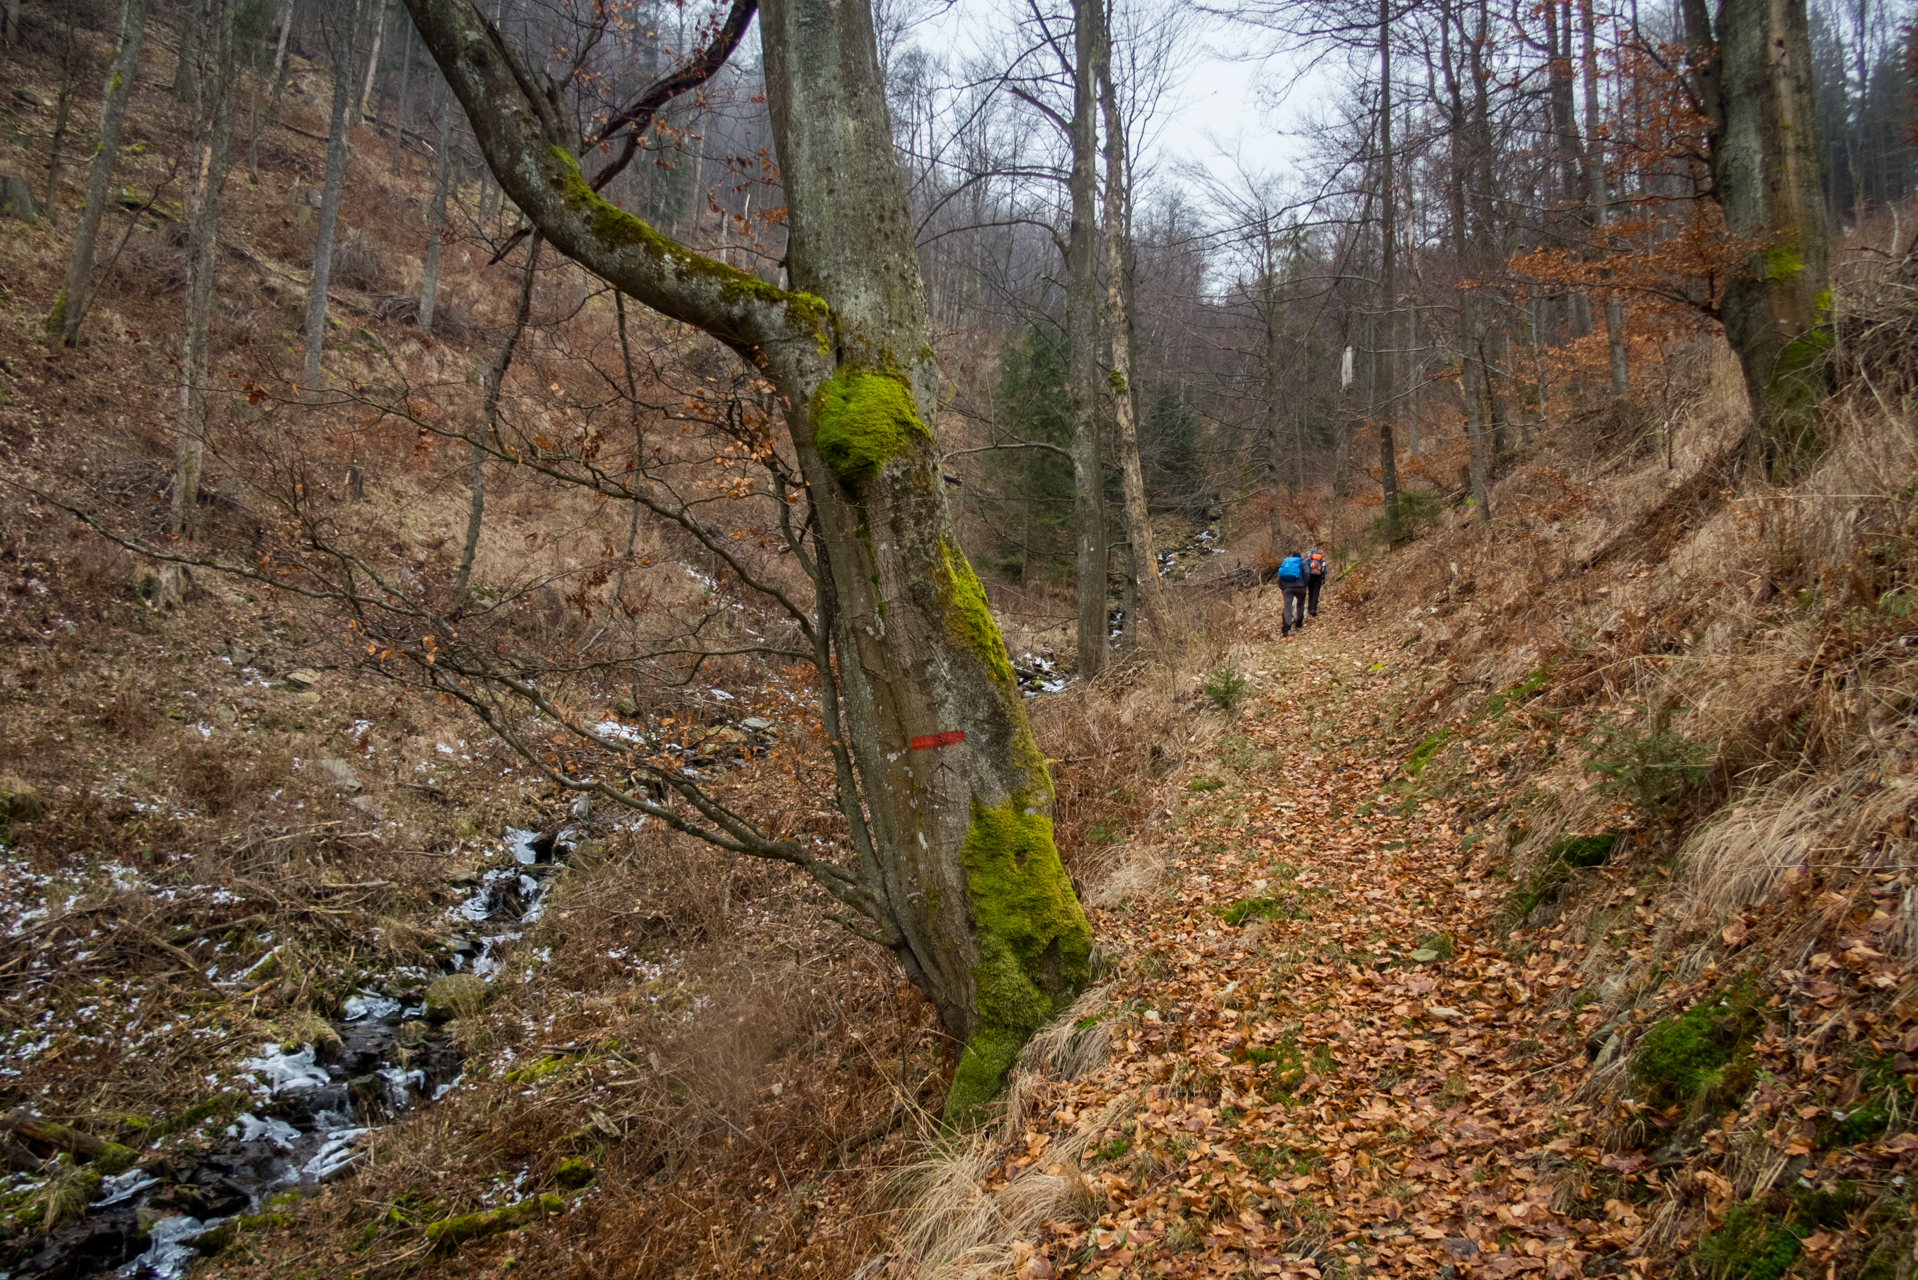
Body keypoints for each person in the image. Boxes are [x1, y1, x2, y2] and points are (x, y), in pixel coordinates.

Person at [1276, 549, 1308, 637]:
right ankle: (1298, 623)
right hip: (1300, 587)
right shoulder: (1302, 563)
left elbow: (1279, 576)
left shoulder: (1286, 563)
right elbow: (1307, 573)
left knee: (1287, 607)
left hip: (1287, 588)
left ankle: (1286, 628)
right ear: (1300, 557)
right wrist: (1304, 584)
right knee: (1300, 604)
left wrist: (1282, 587)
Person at [1304, 546, 1327, 618]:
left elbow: (1305, 570)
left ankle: (1309, 608)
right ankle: (1313, 609)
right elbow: (1325, 571)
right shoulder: (1321, 560)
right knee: (1315, 593)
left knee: (1310, 593)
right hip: (1318, 579)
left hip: (1310, 578)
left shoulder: (1308, 560)